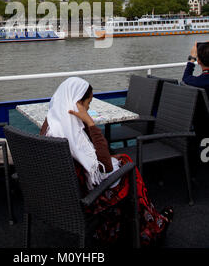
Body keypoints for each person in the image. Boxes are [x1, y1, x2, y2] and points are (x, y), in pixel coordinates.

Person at [40, 77, 173, 246]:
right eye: (88, 103)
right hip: (84, 201)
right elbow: (105, 166)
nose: (88, 108)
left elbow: (91, 161)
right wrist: (90, 123)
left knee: (122, 162)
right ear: (77, 103)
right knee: (128, 166)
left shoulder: (50, 125)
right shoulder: (74, 136)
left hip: (56, 198)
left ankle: (116, 227)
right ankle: (152, 227)